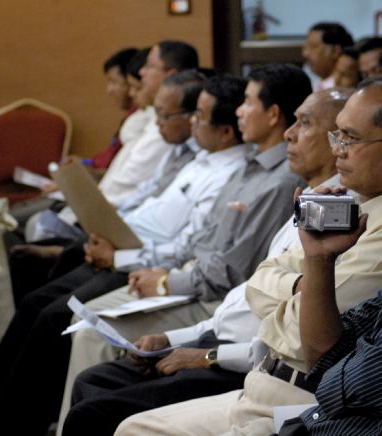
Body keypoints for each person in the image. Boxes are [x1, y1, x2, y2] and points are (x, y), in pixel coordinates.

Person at [113, 82, 382, 436]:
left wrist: (314, 321)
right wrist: (317, 262)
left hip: (308, 405)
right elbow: (321, 345)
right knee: (131, 426)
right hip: (284, 391)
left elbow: (352, 380)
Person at [62, 87, 353, 436]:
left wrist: (204, 351)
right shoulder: (299, 193)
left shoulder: (328, 209)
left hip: (245, 360)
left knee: (97, 398)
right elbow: (240, 294)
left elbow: (255, 302)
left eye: (304, 124)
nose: (290, 133)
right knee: (93, 378)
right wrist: (173, 337)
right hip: (215, 327)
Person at [0, 69, 209, 436]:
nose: (156, 121)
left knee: (56, 317)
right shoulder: (184, 155)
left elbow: (188, 248)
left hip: (142, 262)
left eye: (164, 114)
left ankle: (14, 420)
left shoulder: (219, 171)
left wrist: (119, 254)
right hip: (123, 243)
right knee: (35, 301)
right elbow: (144, 199)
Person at [98, 40, 199, 203]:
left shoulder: (172, 127)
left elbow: (130, 180)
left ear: (171, 75)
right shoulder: (150, 116)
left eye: (150, 66)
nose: (142, 72)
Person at [302, 22, 354, 91]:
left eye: (313, 47)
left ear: (335, 51)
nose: (305, 54)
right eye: (306, 47)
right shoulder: (315, 83)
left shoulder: (342, 87)